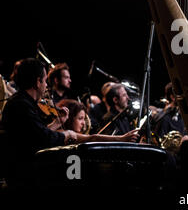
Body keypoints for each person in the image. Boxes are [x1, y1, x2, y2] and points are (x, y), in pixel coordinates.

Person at [0, 58, 139, 188]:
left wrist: (56, 123)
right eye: (44, 80)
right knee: (76, 168)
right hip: (25, 177)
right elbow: (44, 138)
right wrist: (67, 133)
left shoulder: (22, 103)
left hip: (26, 172)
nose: (46, 85)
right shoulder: (21, 105)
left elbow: (35, 134)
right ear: (37, 82)